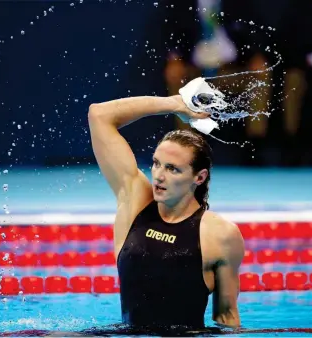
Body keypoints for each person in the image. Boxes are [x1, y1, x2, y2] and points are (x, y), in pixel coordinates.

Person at [87, 82, 245, 332]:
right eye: (156, 163)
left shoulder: (220, 234)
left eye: (172, 169)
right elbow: (99, 114)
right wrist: (174, 104)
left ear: (199, 177)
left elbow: (226, 317)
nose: (158, 176)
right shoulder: (135, 202)